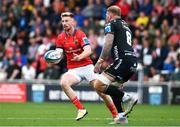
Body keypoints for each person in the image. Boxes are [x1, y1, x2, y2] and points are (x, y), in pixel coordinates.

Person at [54, 12, 118, 121]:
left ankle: (116, 115)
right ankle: (81, 109)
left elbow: (88, 50)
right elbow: (59, 54)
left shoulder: (80, 34)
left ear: (73, 22)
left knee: (101, 92)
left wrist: (79, 57)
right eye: (63, 21)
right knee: (64, 82)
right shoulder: (60, 38)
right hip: (73, 69)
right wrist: (54, 58)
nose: (64, 23)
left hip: (87, 67)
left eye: (67, 21)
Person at [94, 6, 138, 124]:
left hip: (122, 60)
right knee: (113, 88)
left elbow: (108, 43)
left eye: (107, 14)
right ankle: (122, 117)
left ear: (110, 14)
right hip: (132, 61)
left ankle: (128, 98)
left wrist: (100, 61)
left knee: (98, 85)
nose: (106, 17)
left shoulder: (111, 24)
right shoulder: (126, 26)